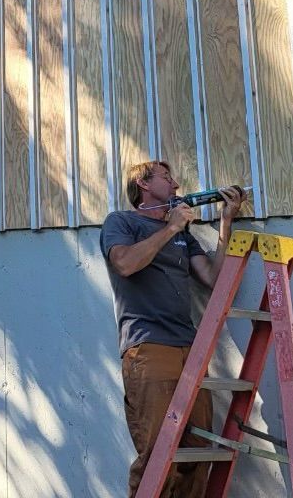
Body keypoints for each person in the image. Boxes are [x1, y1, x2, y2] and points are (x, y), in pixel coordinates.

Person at [101, 161, 246, 498]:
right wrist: (169, 229)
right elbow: (124, 264)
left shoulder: (183, 234)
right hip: (149, 348)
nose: (177, 185)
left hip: (189, 348)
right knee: (157, 455)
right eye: (167, 178)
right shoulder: (121, 222)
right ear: (143, 183)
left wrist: (226, 222)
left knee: (197, 450)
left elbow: (214, 279)